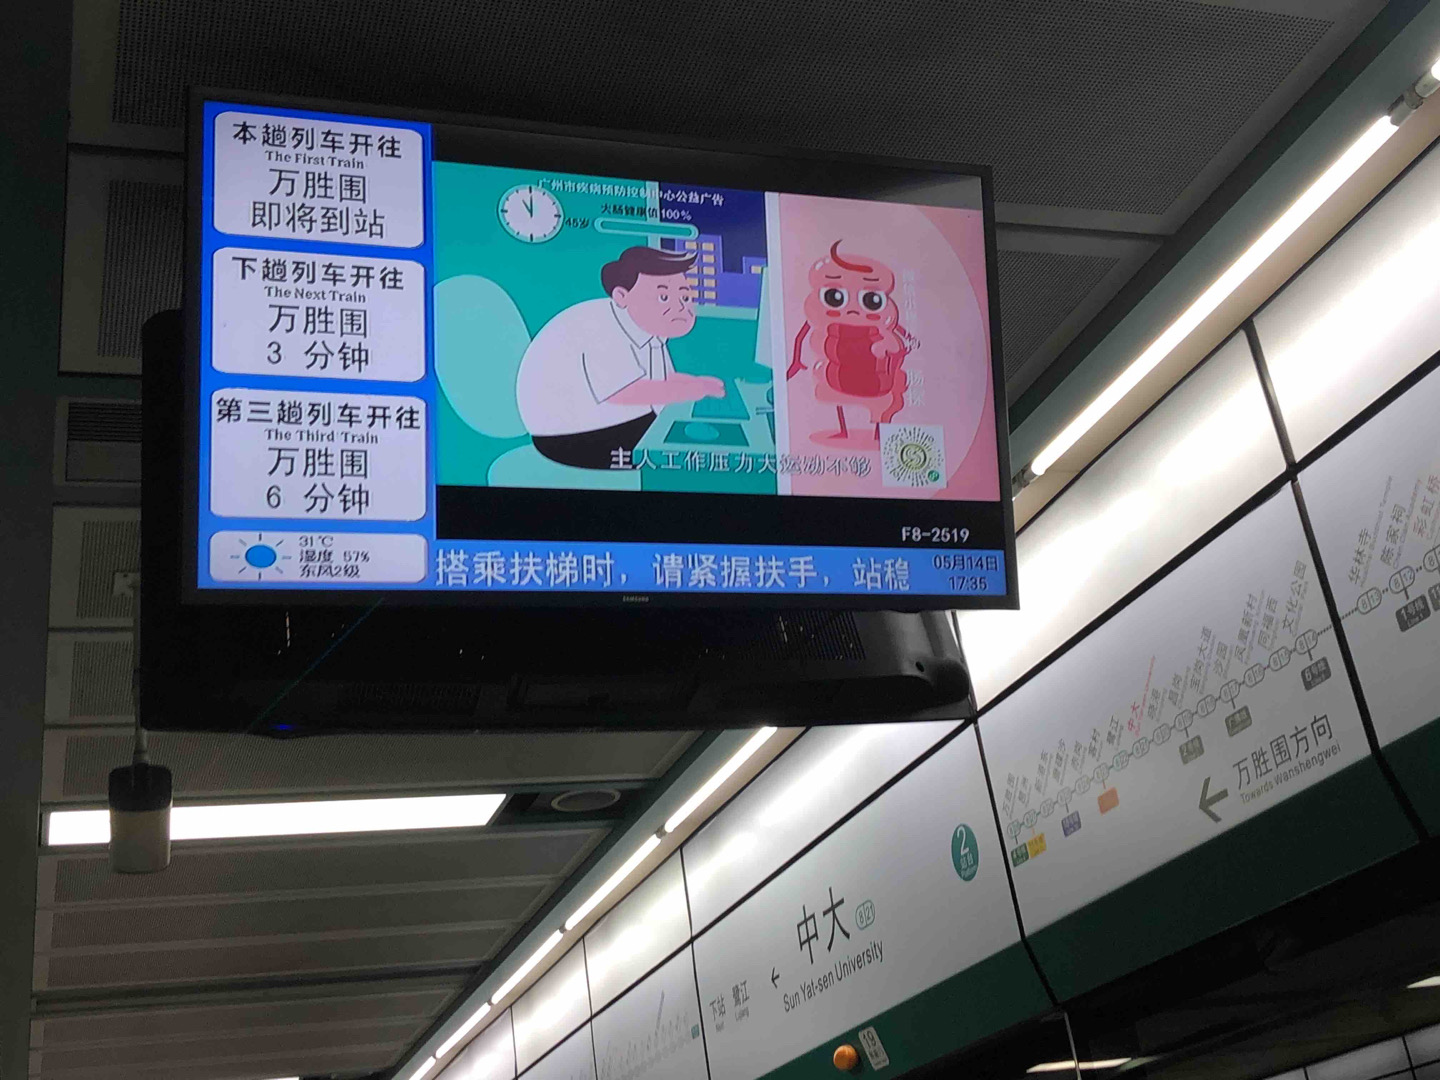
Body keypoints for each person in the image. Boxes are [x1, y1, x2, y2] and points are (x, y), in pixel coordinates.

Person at [516, 246, 724, 468]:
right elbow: (625, 392)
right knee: (685, 450)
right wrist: (690, 390)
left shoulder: (651, 331)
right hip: (571, 437)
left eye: (685, 296)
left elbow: (661, 381)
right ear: (621, 296)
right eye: (664, 297)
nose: (681, 306)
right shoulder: (601, 326)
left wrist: (697, 384)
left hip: (617, 423)